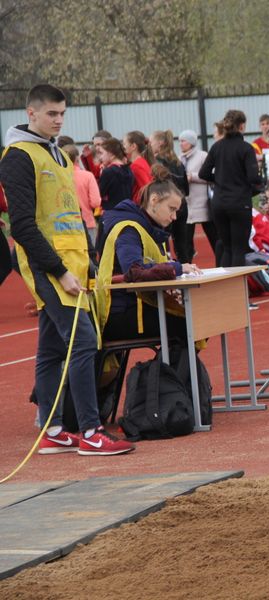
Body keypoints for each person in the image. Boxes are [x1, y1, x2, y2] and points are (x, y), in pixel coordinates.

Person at [0, 84, 134, 455]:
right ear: (31, 113)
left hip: (73, 264)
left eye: (62, 113)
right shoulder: (18, 156)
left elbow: (69, 214)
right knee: (84, 341)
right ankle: (90, 431)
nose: (59, 120)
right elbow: (22, 226)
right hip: (48, 268)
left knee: (51, 348)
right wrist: (59, 271)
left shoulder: (57, 152)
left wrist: (88, 260)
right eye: (51, 114)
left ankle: (53, 429)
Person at [96, 164, 199, 344]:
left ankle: (172, 362)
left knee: (200, 319)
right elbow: (135, 272)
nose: (174, 217)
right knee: (195, 323)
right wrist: (177, 267)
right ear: (154, 200)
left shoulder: (150, 228)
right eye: (171, 209)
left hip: (136, 306)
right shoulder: (129, 229)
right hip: (122, 312)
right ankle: (171, 363)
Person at [198, 110, 263, 267]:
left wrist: (219, 179)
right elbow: (253, 178)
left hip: (219, 203)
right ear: (242, 126)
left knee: (227, 248)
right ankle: (238, 283)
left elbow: (203, 173)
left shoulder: (216, 147)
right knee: (239, 249)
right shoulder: (246, 148)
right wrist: (263, 181)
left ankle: (226, 283)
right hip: (239, 203)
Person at [150, 130, 191, 262]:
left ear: (160, 143)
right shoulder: (178, 162)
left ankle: (165, 267)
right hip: (182, 205)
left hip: (166, 205)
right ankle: (187, 268)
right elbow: (186, 189)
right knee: (181, 245)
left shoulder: (156, 163)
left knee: (162, 242)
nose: (149, 145)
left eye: (151, 142)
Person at [178, 130, 218, 260]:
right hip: (187, 205)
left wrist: (192, 177)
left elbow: (211, 176)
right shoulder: (180, 158)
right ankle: (187, 264)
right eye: (180, 141)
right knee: (186, 242)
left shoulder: (202, 156)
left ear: (191, 142)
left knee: (214, 237)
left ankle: (221, 262)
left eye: (183, 141)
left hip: (203, 204)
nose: (180, 144)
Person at [62, 144, 101, 245]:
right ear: (77, 158)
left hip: (64, 225)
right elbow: (95, 202)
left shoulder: (59, 177)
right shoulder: (87, 176)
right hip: (86, 221)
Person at [124, 131, 153, 204]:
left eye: (124, 144)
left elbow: (146, 188)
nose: (123, 147)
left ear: (133, 146)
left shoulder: (136, 165)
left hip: (138, 206)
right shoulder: (141, 161)